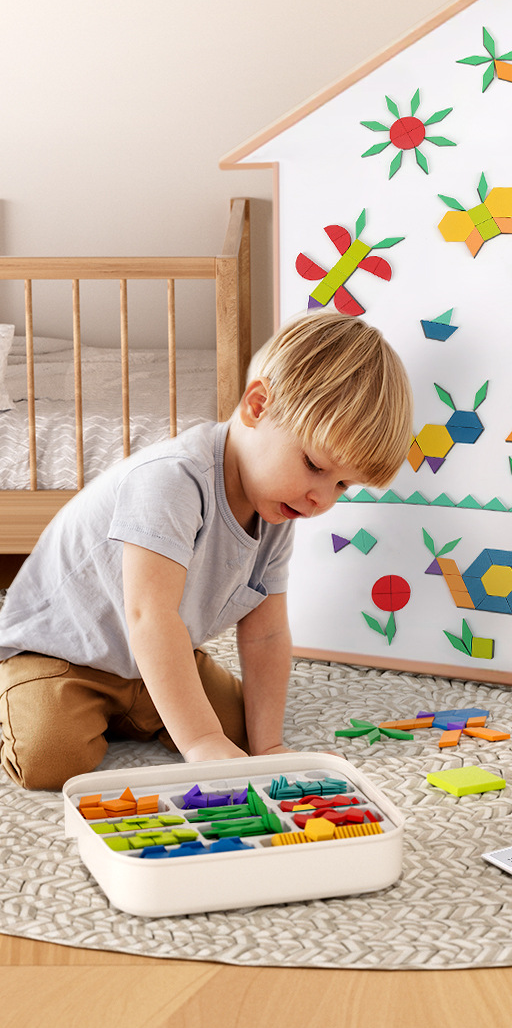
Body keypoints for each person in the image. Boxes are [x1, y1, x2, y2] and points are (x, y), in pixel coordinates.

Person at [0, 312, 413, 789]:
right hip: (64, 654)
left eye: (342, 485)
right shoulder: (172, 479)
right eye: (314, 465)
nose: (321, 499)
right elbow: (149, 616)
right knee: (51, 758)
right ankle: (24, 694)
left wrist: (268, 746)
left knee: (240, 728)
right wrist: (199, 742)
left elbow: (266, 634)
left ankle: (128, 707)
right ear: (258, 406)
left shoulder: (276, 509)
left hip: (147, 656)